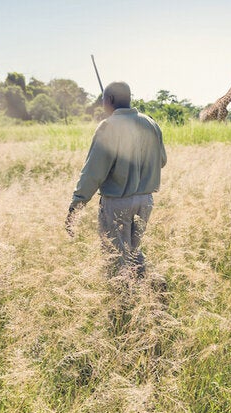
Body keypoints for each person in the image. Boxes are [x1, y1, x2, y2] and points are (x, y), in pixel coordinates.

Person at [66, 81, 167, 279]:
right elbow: (161, 161)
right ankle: (152, 284)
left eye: (104, 99)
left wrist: (76, 206)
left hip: (117, 202)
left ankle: (123, 296)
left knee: (115, 257)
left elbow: (93, 173)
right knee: (133, 251)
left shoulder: (108, 126)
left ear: (110, 99)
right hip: (145, 201)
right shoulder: (150, 123)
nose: (103, 103)